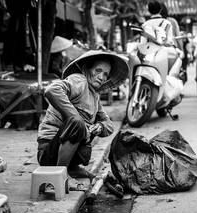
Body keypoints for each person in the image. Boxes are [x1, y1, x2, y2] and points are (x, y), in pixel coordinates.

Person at [37, 51, 129, 185]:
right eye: (98, 71)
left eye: (105, 74)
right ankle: (60, 175)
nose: (102, 77)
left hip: (64, 151)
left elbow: (109, 125)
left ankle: (71, 168)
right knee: (78, 123)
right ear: (87, 69)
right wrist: (73, 116)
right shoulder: (79, 80)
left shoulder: (94, 95)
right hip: (48, 152)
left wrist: (100, 126)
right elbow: (52, 90)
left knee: (86, 128)